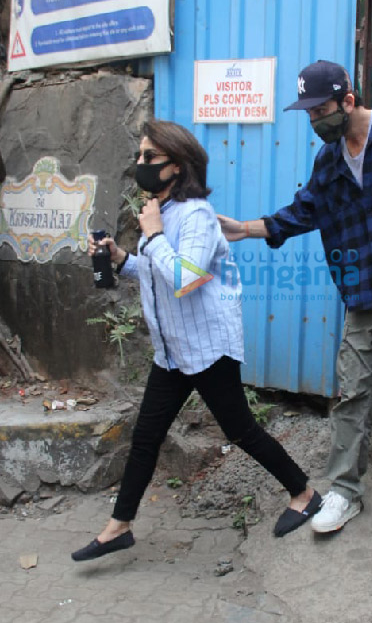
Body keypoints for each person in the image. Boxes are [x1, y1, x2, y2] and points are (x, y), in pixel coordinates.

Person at [72, 120, 321, 561]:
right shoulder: (162, 214)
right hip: (173, 352)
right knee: (146, 435)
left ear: (178, 166)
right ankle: (119, 526)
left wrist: (151, 237)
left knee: (240, 430)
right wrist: (122, 258)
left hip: (208, 349)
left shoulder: (196, 217)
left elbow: (186, 279)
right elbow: (156, 274)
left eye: (151, 157)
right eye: (140, 155)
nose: (140, 164)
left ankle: (304, 493)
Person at [218, 60, 372, 533]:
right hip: (361, 295)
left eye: (320, 109)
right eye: (307, 113)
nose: (314, 120)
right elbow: (304, 211)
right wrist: (244, 229)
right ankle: (344, 492)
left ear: (348, 100)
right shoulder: (328, 161)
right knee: (351, 397)